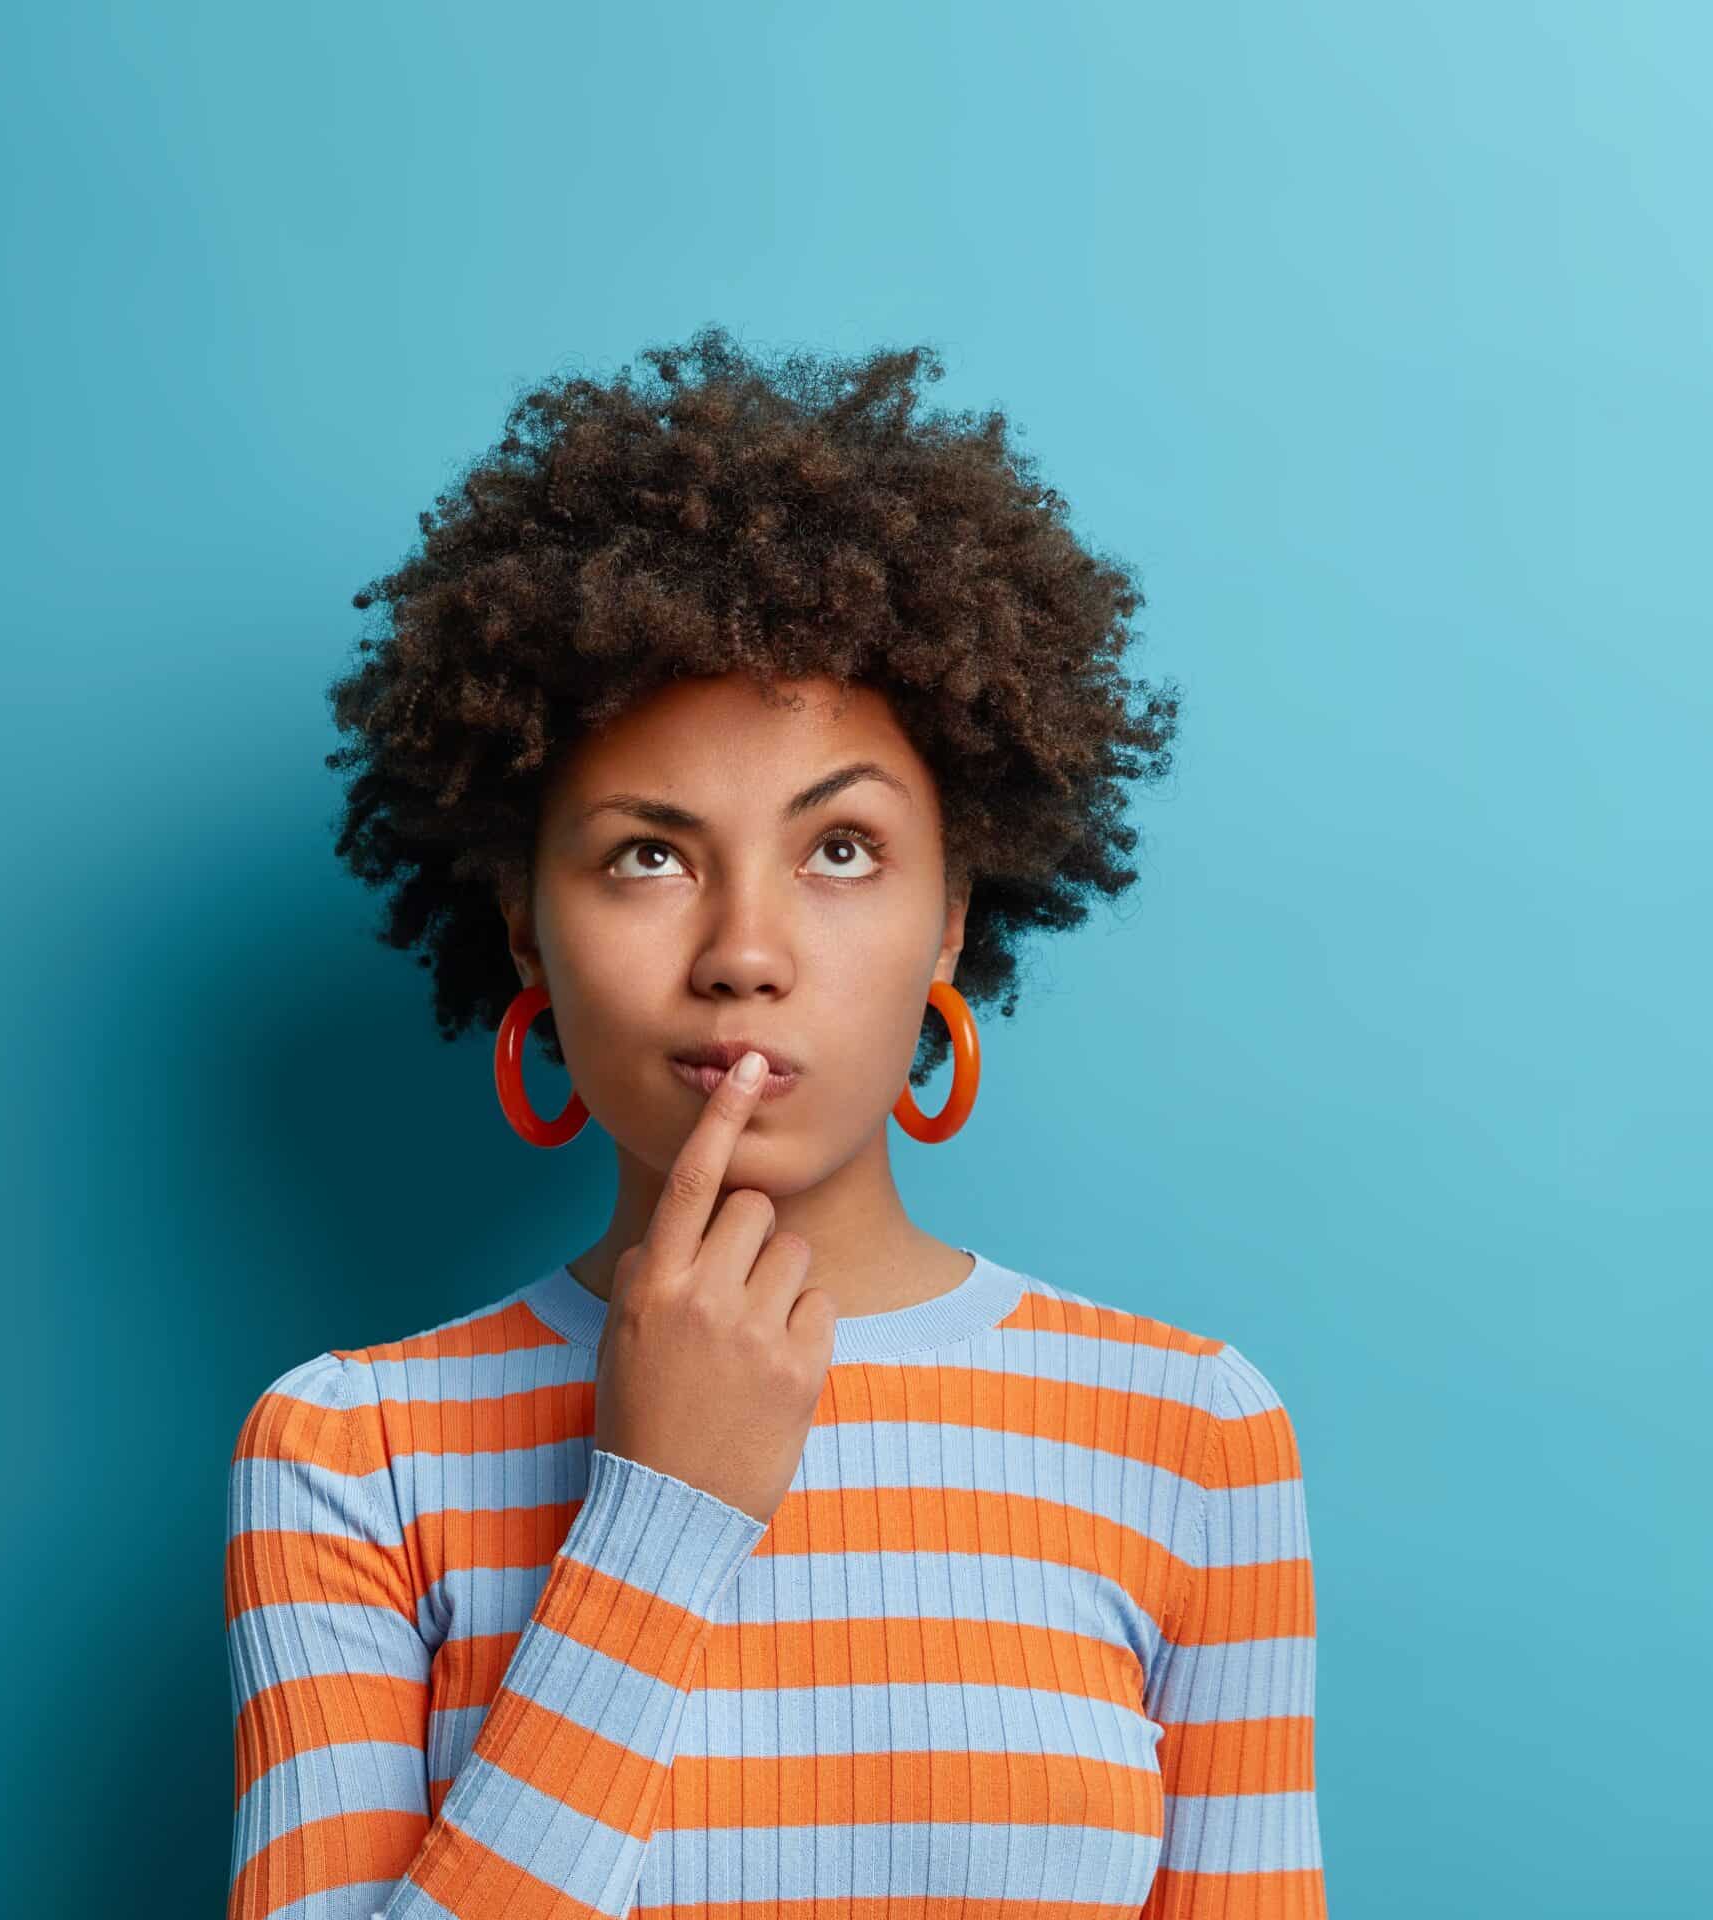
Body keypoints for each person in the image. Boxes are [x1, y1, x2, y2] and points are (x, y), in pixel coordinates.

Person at [225, 327, 1326, 1919]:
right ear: (526, 930)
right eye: (649, 857)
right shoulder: (351, 1457)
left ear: (953, 913)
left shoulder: (1192, 1439)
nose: (745, 952)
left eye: (843, 851)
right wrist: (660, 1520)